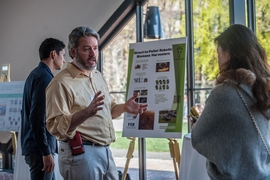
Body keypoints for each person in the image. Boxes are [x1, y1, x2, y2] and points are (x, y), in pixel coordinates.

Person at [45, 26, 148, 180]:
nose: (93, 54)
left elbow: (109, 109)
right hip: (81, 154)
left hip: (105, 151)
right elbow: (54, 125)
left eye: (95, 48)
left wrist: (124, 107)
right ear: (73, 52)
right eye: (87, 49)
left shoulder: (97, 76)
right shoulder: (60, 83)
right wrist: (86, 112)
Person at [191, 24, 270, 179]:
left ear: (229, 54)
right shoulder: (264, 89)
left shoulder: (224, 93)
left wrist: (198, 123)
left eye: (219, 52)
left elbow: (198, 137)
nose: (218, 58)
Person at [21, 38, 66, 180]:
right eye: (63, 55)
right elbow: (37, 118)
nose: (64, 60)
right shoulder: (44, 78)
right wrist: (45, 152)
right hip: (39, 151)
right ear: (54, 54)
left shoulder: (35, 74)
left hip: (37, 148)